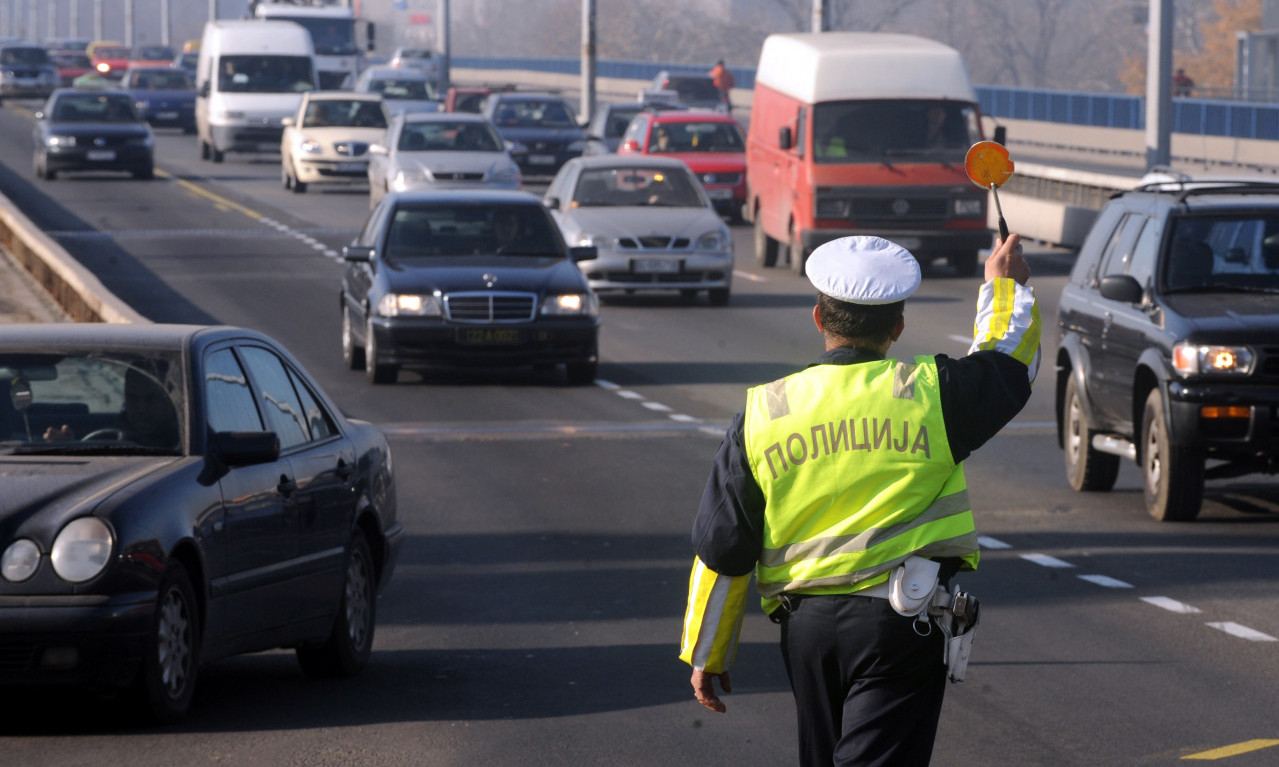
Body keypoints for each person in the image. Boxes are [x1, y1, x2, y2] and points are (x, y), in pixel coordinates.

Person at [679, 233, 1041, 766]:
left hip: (805, 632)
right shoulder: (930, 394)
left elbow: (724, 544)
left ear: (818, 317)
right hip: (900, 626)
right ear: (897, 326)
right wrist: (1004, 287)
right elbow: (1007, 364)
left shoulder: (764, 413)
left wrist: (708, 651)